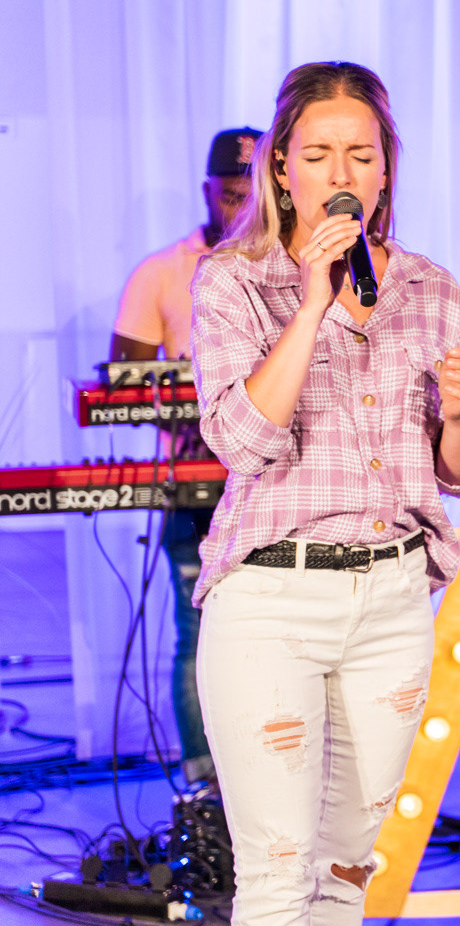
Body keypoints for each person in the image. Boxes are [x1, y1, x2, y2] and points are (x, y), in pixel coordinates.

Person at [190, 61, 460, 924]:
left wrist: (459, 416)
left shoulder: (429, 287)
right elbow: (242, 441)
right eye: (319, 155)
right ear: (282, 167)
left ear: (385, 168)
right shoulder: (233, 280)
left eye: (360, 155)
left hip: (392, 598)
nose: (341, 174)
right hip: (272, 598)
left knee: (349, 872)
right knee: (279, 876)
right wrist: (312, 301)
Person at [110, 126, 262, 787]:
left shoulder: (295, 267)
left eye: (251, 194)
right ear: (206, 191)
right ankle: (206, 791)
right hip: (198, 484)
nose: (241, 207)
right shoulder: (163, 272)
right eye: (230, 194)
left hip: (278, 485)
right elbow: (122, 384)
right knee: (198, 633)